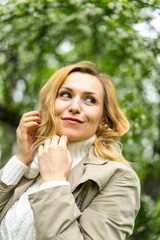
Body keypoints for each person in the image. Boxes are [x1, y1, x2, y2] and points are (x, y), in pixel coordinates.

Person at [0, 61, 140, 240]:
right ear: (50, 105)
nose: (74, 107)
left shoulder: (119, 178)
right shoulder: (31, 164)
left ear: (103, 119)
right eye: (66, 95)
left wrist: (54, 183)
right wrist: (20, 160)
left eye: (90, 100)